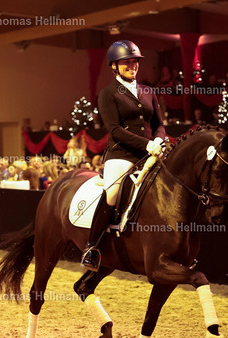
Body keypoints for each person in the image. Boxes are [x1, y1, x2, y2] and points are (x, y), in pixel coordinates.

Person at [81, 40, 166, 272]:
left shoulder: (148, 91)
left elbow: (159, 124)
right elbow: (115, 130)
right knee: (112, 193)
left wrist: (159, 139)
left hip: (151, 152)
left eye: (135, 61)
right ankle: (92, 247)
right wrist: (147, 144)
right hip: (122, 154)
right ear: (114, 66)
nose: (132, 66)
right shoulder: (108, 93)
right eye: (126, 62)